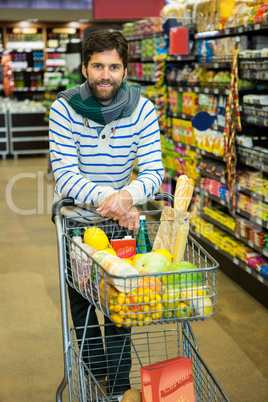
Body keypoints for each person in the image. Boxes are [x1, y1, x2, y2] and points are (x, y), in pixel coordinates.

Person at [49, 28, 164, 398]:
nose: (105, 75)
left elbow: (153, 172)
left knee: (121, 307)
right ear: (84, 68)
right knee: (83, 308)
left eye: (114, 66)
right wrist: (115, 201)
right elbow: (66, 176)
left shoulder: (142, 108)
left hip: (121, 223)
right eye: (97, 65)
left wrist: (128, 196)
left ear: (125, 70)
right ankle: (97, 378)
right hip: (78, 225)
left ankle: (117, 388)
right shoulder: (64, 107)